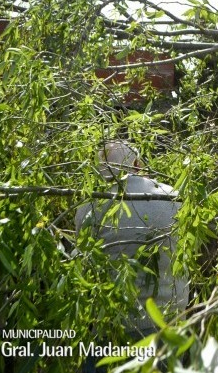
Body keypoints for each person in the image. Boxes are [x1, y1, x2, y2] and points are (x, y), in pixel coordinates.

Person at [75, 142, 189, 336]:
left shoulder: (89, 208)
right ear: (137, 164)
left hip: (114, 325)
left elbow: (84, 262)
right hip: (170, 320)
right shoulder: (174, 198)